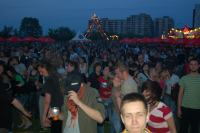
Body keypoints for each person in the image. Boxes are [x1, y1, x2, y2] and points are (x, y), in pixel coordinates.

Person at [62, 62, 105, 133]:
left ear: (81, 84)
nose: (70, 92)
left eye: (73, 88)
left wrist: (79, 103)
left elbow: (100, 118)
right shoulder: (68, 94)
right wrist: (57, 114)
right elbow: (66, 115)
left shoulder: (92, 93)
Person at [0, 62, 31, 133]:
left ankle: (28, 122)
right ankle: (24, 122)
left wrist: (13, 85)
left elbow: (22, 83)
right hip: (14, 96)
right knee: (18, 110)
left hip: (21, 95)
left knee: (19, 110)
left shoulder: (16, 76)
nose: (1, 70)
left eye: (2, 69)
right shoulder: (4, 77)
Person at [37, 60, 64, 133]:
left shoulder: (48, 81)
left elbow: (47, 101)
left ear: (46, 68)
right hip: (61, 105)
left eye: (42, 71)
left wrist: (43, 116)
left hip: (55, 109)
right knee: (59, 126)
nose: (40, 73)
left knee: (56, 128)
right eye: (39, 72)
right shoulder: (55, 76)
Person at [178, 57, 200, 133]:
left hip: (197, 108)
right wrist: (178, 109)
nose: (193, 66)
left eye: (195, 64)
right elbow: (180, 95)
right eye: (191, 64)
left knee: (195, 129)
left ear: (198, 66)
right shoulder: (184, 78)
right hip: (185, 108)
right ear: (189, 66)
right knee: (183, 129)